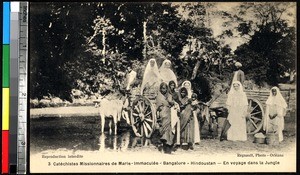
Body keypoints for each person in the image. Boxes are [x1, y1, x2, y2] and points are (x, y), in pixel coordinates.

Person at [156, 82, 175, 154]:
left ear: (167, 89)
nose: (163, 90)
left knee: (169, 131)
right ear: (160, 89)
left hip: (169, 114)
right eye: (162, 88)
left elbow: (171, 102)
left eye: (164, 88)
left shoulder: (169, 95)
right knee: (163, 131)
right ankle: (164, 147)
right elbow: (158, 107)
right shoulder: (159, 97)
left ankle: (168, 147)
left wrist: (171, 102)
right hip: (163, 115)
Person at [168, 80, 180, 146]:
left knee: (175, 122)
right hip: (169, 108)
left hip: (174, 108)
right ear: (169, 86)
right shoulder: (167, 93)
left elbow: (178, 100)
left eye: (173, 85)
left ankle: (174, 139)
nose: (172, 87)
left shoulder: (175, 93)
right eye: (171, 85)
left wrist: (177, 104)